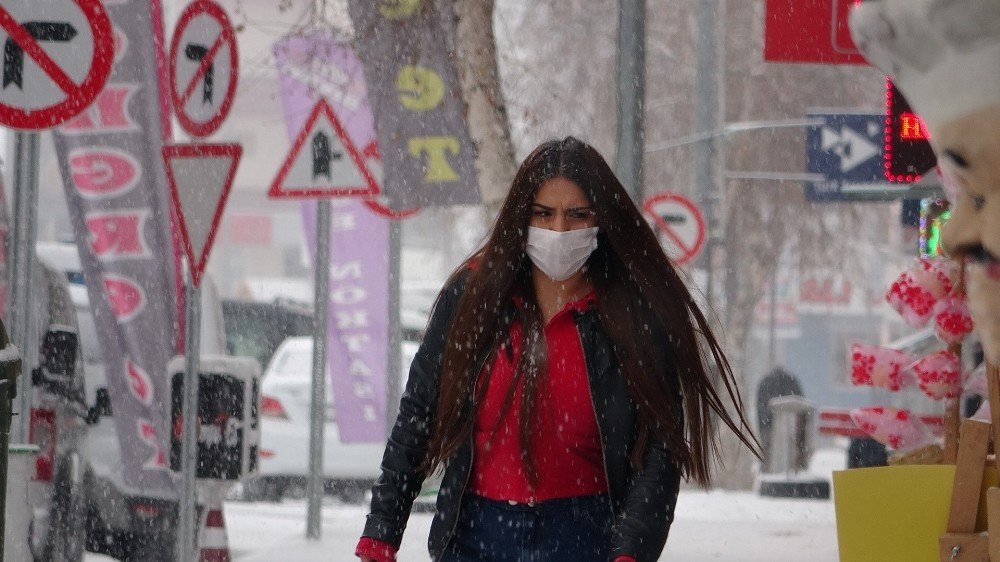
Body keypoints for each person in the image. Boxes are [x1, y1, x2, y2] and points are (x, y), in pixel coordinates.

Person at [355, 137, 759, 562]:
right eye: (543, 214)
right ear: (521, 216)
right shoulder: (473, 298)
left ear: (600, 219)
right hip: (474, 534)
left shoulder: (632, 314)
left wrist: (632, 550)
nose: (559, 231)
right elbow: (418, 412)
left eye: (577, 215)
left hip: (586, 536)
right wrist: (382, 528)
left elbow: (661, 447)